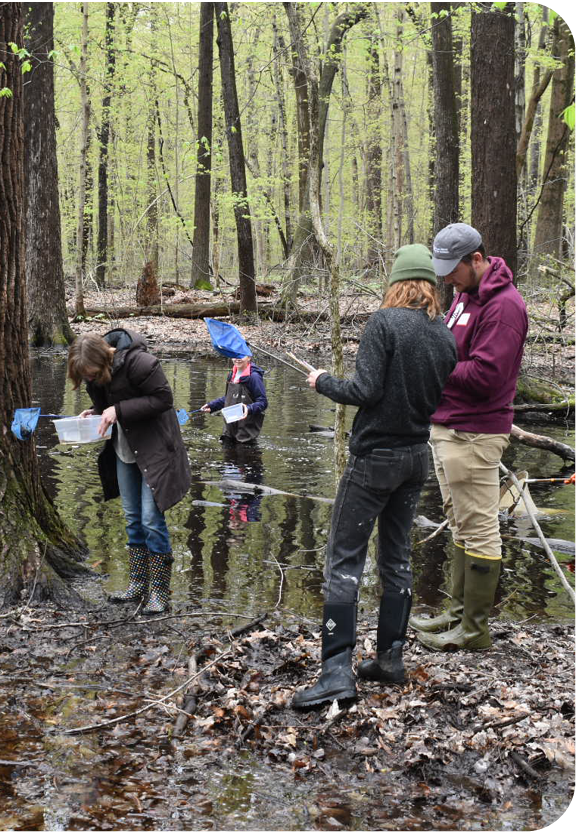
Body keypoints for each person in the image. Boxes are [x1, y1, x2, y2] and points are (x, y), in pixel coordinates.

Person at [291, 244, 457, 711]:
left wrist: (322, 381)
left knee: (342, 561)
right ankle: (390, 658)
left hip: (375, 460)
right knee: (396, 558)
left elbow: (364, 390)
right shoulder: (444, 337)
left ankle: (336, 673)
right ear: (431, 285)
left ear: (397, 282)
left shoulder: (384, 324)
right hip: (414, 458)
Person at [412, 223, 528, 652]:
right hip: (448, 424)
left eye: (452, 270)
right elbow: (451, 346)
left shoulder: (504, 307)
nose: (446, 279)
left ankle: (475, 629)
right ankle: (458, 613)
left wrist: (432, 366)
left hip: (475, 432)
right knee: (460, 519)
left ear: (477, 260)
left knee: (479, 527)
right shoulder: (465, 296)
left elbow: (486, 376)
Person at [67, 329, 191, 614]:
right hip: (124, 450)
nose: (88, 379)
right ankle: (137, 584)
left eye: (90, 373)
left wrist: (118, 410)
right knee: (133, 517)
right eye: (84, 376)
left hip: (156, 450)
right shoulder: (94, 376)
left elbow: (163, 399)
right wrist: (94, 412)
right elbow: (106, 403)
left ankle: (159, 592)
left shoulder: (142, 363)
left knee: (150, 518)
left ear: (104, 359)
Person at [200, 354, 268, 443]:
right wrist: (212, 405)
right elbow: (229, 397)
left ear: (249, 357)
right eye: (235, 355)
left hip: (246, 433)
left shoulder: (254, 377)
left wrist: (248, 408)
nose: (237, 358)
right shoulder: (231, 375)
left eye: (242, 355)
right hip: (229, 430)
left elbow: (263, 402)